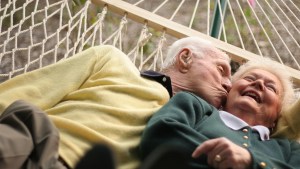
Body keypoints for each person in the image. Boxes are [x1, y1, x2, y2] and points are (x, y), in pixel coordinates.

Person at [0, 36, 232, 169]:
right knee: (27, 115)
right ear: (185, 58)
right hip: (32, 143)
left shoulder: (195, 129)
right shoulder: (112, 61)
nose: (229, 84)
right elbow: (19, 95)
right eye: (221, 70)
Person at [140, 57, 300, 169]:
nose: (258, 83)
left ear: (277, 115)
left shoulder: (289, 149)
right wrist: (223, 159)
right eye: (249, 79)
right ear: (229, 93)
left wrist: (251, 162)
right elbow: (160, 134)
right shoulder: (195, 106)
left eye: (271, 87)